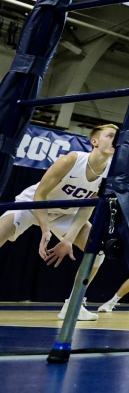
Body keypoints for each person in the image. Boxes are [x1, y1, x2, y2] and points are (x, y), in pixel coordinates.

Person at [0, 124, 116, 320]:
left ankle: (73, 305)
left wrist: (68, 240)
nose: (116, 139)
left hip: (65, 214)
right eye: (111, 135)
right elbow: (40, 194)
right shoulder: (72, 159)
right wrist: (45, 229)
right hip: (33, 205)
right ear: (94, 141)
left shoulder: (110, 174)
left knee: (97, 252)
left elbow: (87, 208)